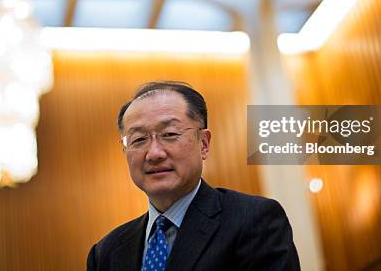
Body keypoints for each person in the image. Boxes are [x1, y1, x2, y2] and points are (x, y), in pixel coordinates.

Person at [87, 81, 300, 271]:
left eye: (170, 134)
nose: (154, 153)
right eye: (139, 139)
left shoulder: (255, 221)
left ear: (204, 144)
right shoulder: (105, 253)